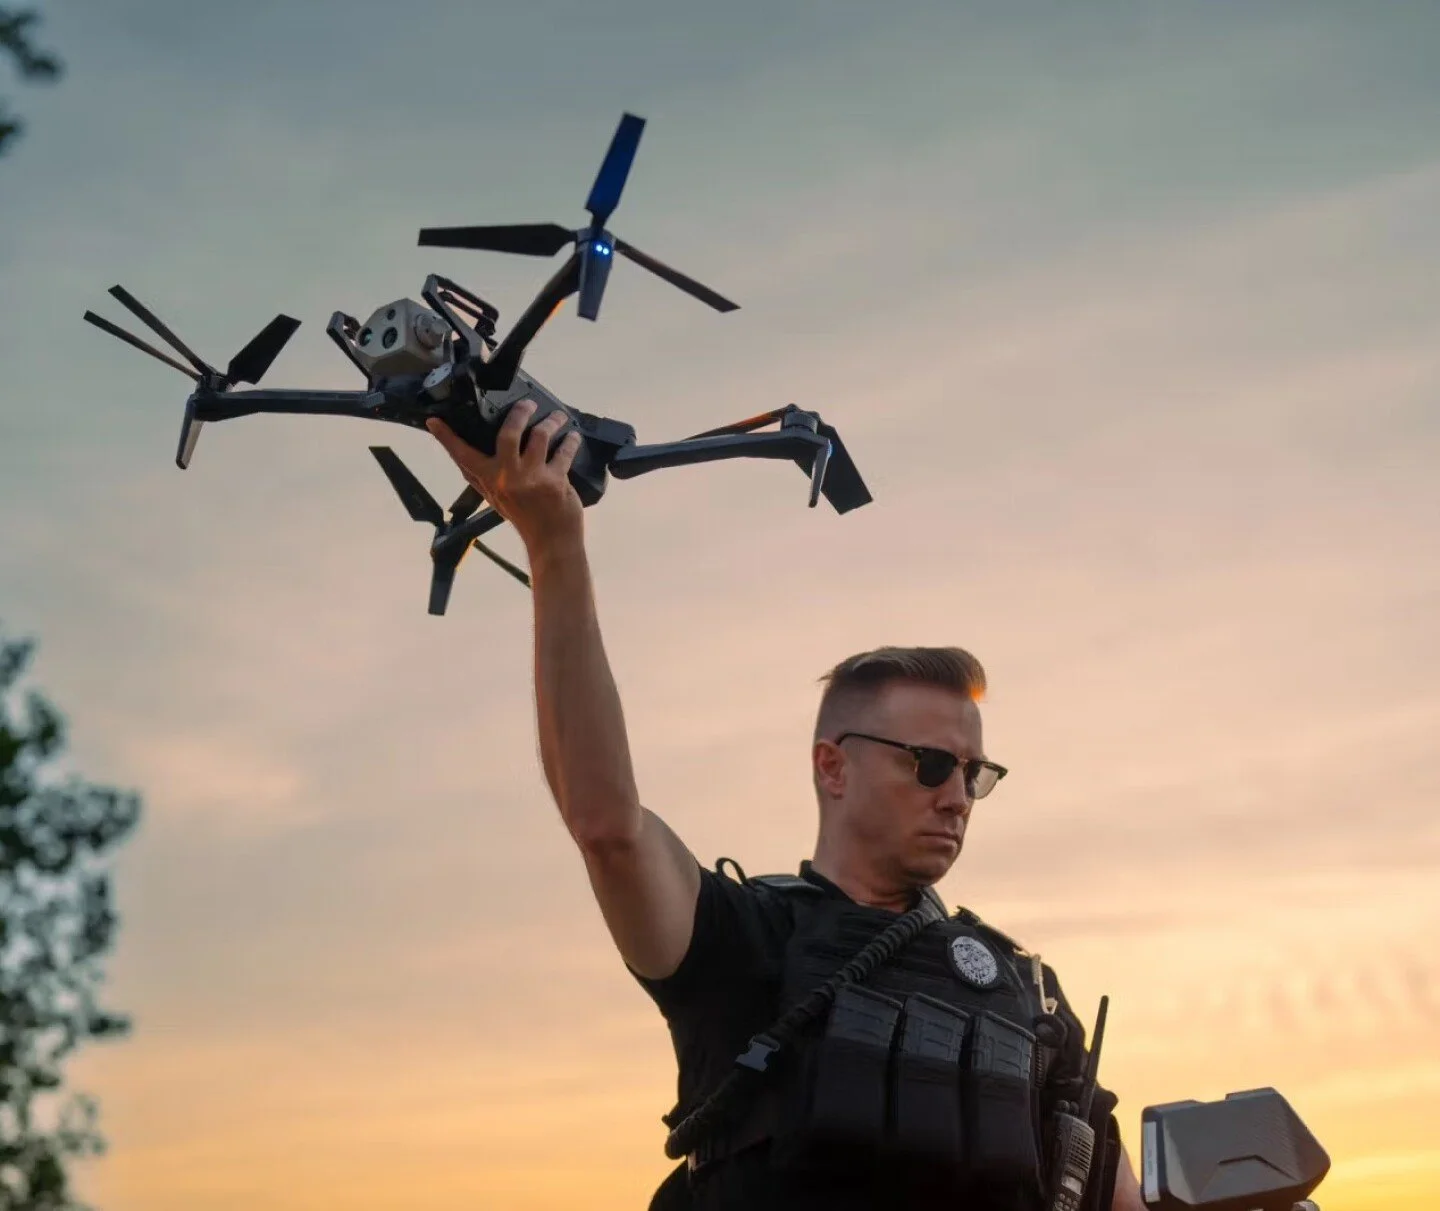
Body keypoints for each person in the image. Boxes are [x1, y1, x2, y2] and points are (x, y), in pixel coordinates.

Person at [427, 400, 1150, 1211]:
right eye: (932, 763)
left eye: (976, 773)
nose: (956, 796)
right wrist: (555, 547)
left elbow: (1121, 1199)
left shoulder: (1028, 996)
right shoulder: (747, 941)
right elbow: (607, 825)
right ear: (832, 767)